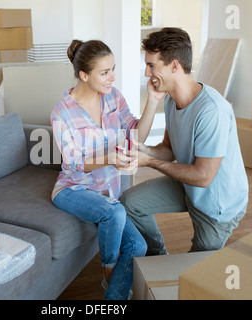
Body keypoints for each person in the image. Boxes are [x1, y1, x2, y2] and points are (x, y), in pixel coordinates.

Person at [120, 28, 249, 255]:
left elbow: (203, 177)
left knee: (193, 274)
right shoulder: (171, 100)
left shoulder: (212, 110)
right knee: (130, 203)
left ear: (174, 66)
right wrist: (144, 149)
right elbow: (168, 150)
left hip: (216, 204)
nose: (146, 73)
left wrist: (149, 162)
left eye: (151, 65)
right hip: (189, 185)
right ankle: (157, 256)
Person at [51, 39, 162, 299]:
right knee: (113, 212)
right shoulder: (62, 112)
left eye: (113, 69)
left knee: (138, 245)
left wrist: (153, 101)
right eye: (104, 72)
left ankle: (113, 295)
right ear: (84, 75)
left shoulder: (113, 97)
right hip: (72, 189)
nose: (112, 77)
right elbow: (73, 163)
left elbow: (136, 134)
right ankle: (110, 275)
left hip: (105, 192)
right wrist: (109, 158)